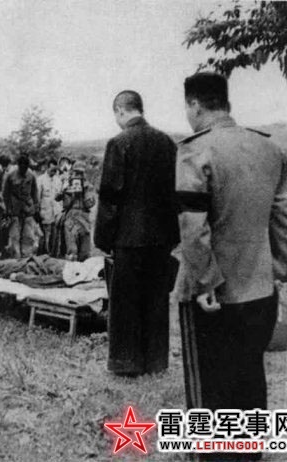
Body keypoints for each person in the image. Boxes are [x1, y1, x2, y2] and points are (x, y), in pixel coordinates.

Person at [175, 73, 287, 460]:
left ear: (195, 105)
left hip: (214, 294)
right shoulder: (270, 149)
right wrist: (277, 272)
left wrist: (206, 281)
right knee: (249, 373)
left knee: (211, 381)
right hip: (260, 288)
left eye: (188, 108)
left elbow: (193, 227)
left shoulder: (194, 151)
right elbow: (286, 221)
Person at [94, 90, 179, 376]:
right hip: (161, 237)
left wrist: (103, 239)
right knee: (156, 300)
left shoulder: (118, 143)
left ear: (120, 110)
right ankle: (155, 361)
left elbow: (110, 196)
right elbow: (174, 193)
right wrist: (172, 235)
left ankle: (126, 362)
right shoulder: (167, 143)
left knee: (125, 302)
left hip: (128, 238)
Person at [56, 161, 95, 261]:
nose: (78, 176)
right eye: (76, 173)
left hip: (83, 218)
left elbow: (89, 204)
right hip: (71, 217)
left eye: (81, 173)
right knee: (71, 250)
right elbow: (57, 198)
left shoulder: (88, 186)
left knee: (85, 252)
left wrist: (85, 191)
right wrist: (66, 190)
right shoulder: (67, 184)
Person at [3, 154, 40, 258]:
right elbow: (5, 194)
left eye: (26, 166)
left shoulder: (31, 176)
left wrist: (36, 208)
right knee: (14, 235)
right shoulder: (10, 175)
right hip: (14, 209)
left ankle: (27, 256)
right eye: (21, 166)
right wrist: (7, 210)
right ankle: (15, 257)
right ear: (18, 165)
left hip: (28, 209)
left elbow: (34, 192)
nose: (23, 168)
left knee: (28, 235)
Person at [37, 158, 62, 255]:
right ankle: (43, 255)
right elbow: (37, 198)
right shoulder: (40, 180)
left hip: (56, 212)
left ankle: (53, 255)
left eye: (55, 170)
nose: (54, 172)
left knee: (55, 236)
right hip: (45, 212)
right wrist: (38, 212)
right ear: (47, 168)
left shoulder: (58, 180)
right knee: (44, 236)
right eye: (52, 170)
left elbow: (60, 198)